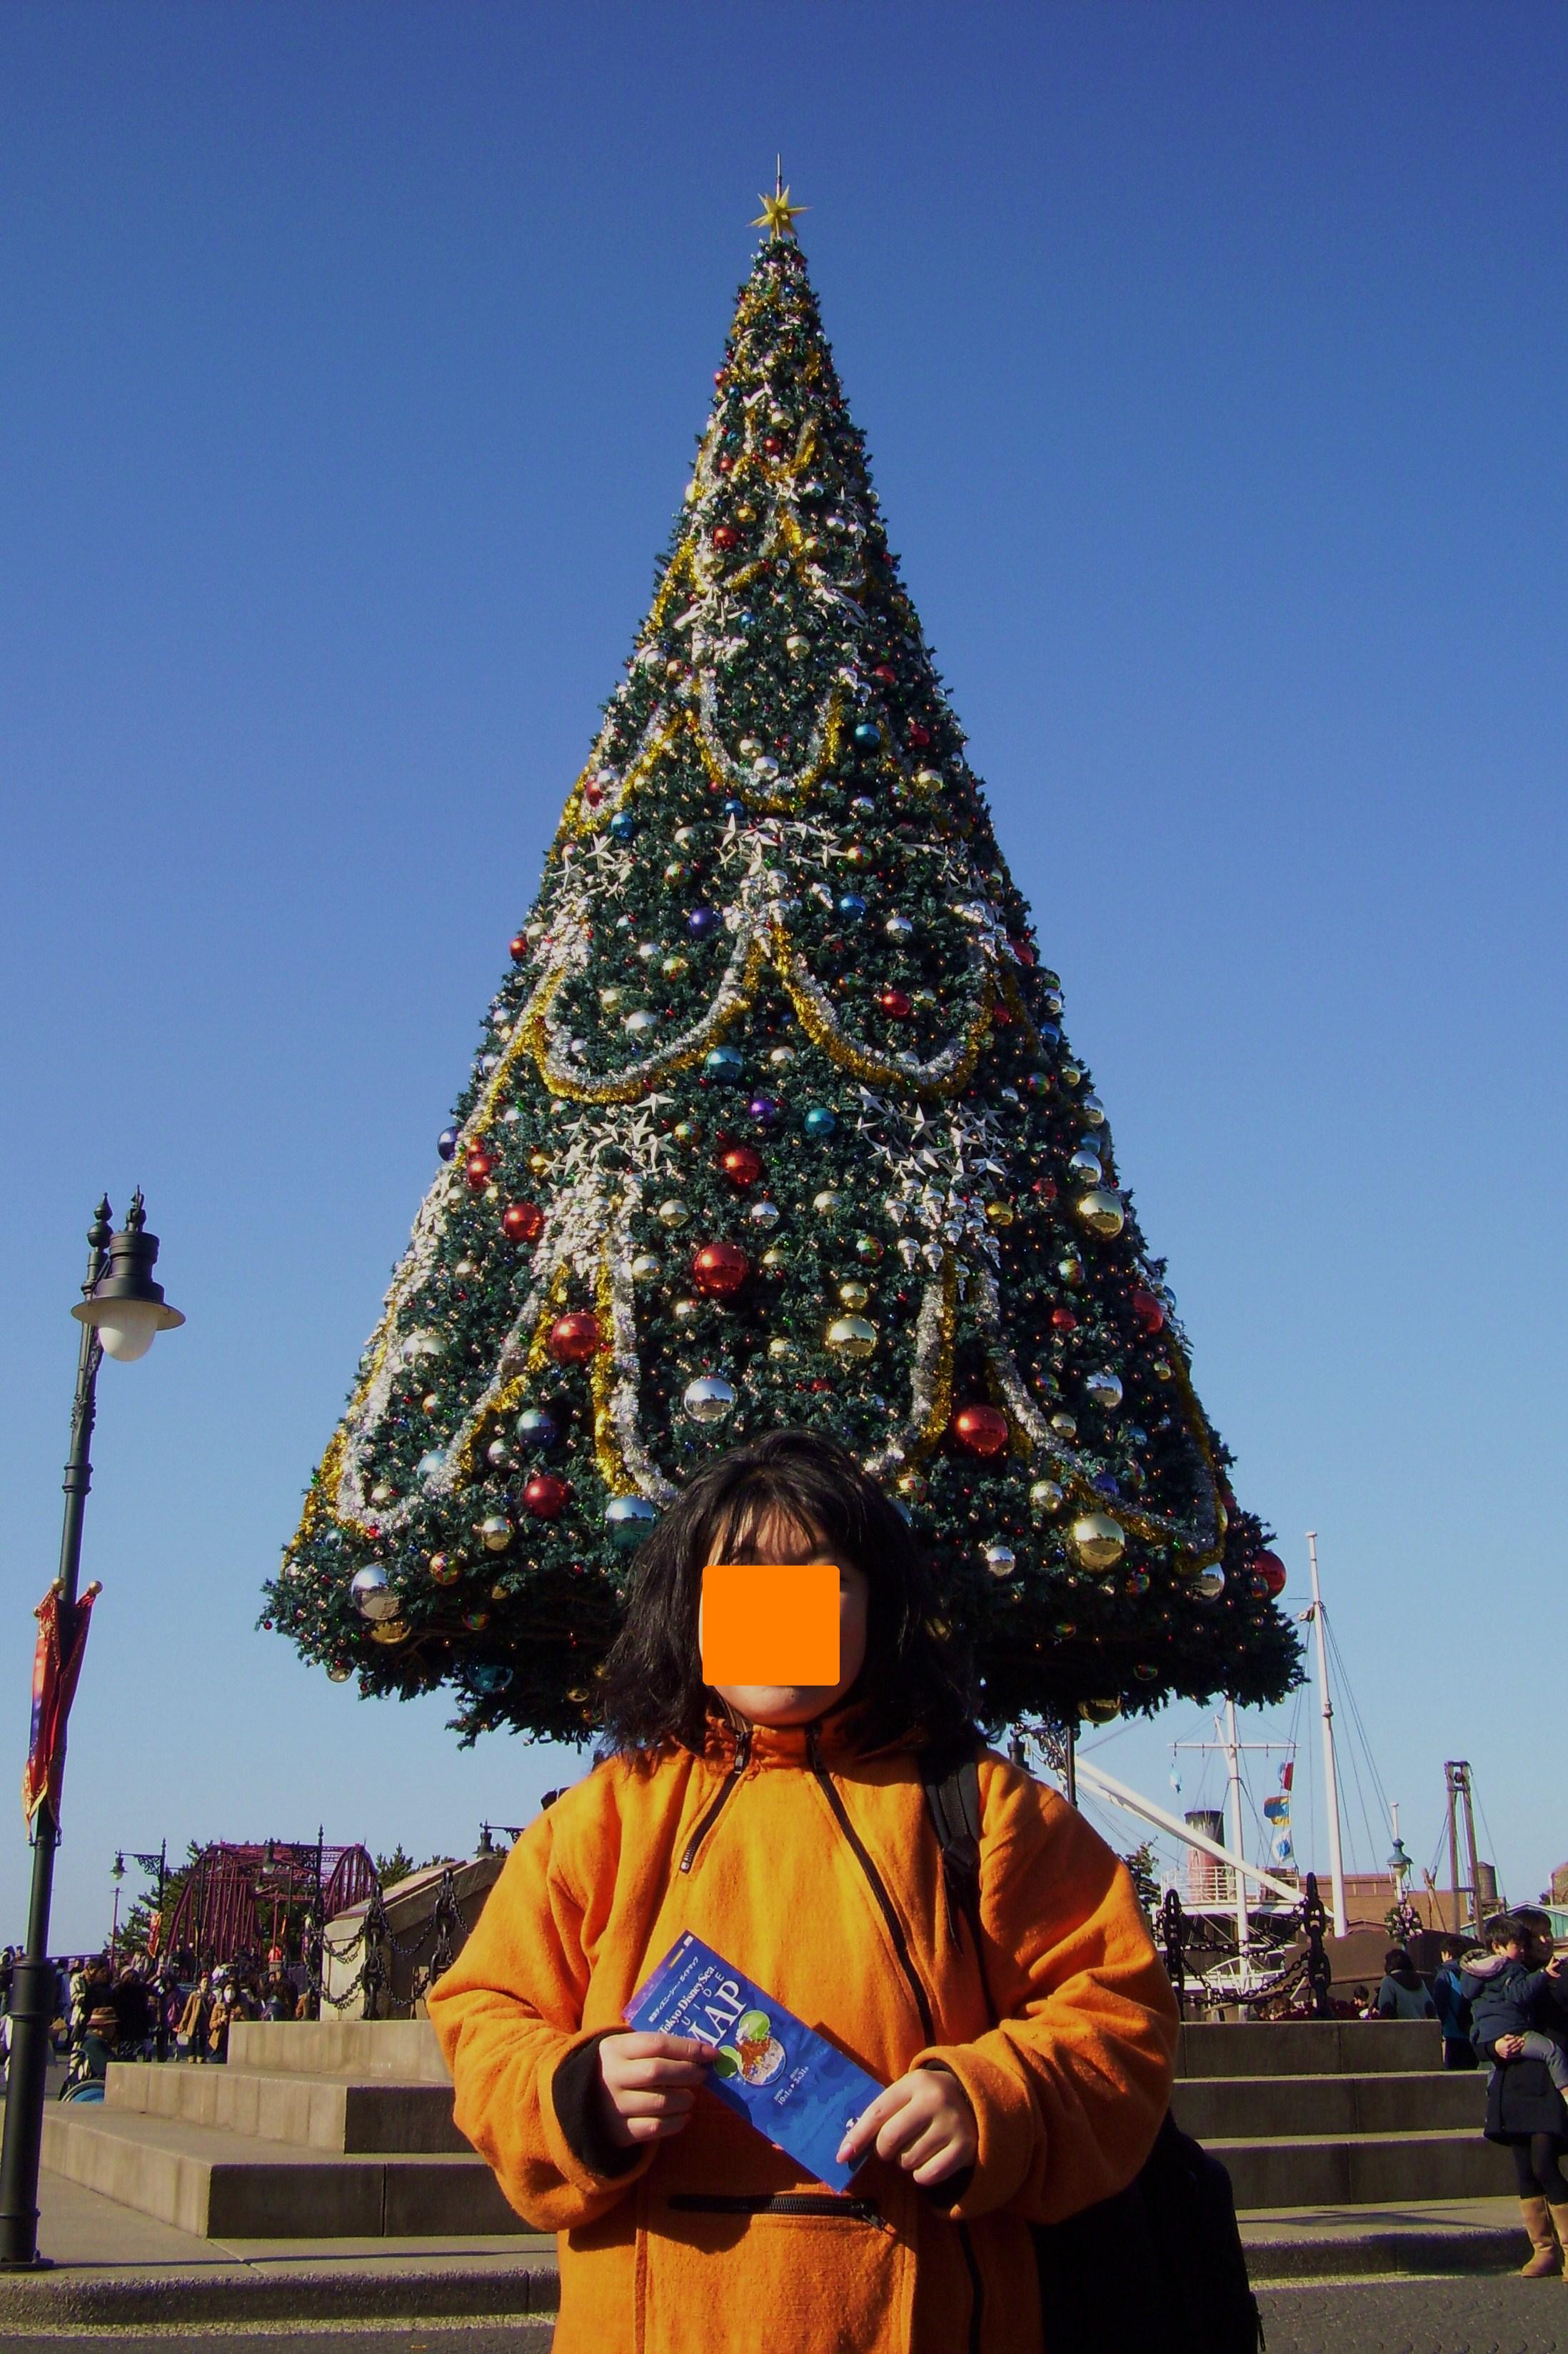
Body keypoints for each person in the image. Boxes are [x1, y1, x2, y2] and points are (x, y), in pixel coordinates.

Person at [428, 1428, 1179, 2354]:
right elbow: (484, 2016)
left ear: (881, 1606)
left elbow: (1119, 2013)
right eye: (744, 1582)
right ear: (689, 1609)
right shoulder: (604, 1820)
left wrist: (994, 2100)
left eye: (819, 1581)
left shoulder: (987, 1811)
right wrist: (577, 2094)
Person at [1463, 1909, 1568, 2279]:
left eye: (1546, 1933)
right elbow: (1478, 2028)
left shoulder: (1557, 1976)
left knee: (1544, 2163)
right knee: (1525, 2170)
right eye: (1535, 1935)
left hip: (1548, 2082)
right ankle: (1544, 2249)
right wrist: (1493, 2049)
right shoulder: (1500, 1977)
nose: (1543, 1941)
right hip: (1512, 2079)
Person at [1431, 1936, 1478, 2070]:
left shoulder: (1445, 1974)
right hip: (1472, 2030)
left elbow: (1440, 2003)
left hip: (1452, 2031)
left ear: (1447, 1954)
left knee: (1454, 2073)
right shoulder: (1473, 1972)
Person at [1374, 1947, 1435, 2020]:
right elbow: (1431, 2009)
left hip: (1401, 2026)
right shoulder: (1420, 1981)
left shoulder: (1388, 1981)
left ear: (1389, 1965)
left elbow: (1386, 2010)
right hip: (1422, 2026)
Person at [179, 1972, 211, 2060]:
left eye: (208, 1982)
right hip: (194, 2021)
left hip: (204, 2021)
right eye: (204, 1982)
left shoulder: (211, 1996)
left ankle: (201, 2057)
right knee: (192, 2038)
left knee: (203, 2039)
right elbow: (188, 2010)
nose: (206, 1984)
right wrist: (183, 2023)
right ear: (200, 1984)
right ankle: (191, 2056)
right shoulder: (194, 1995)